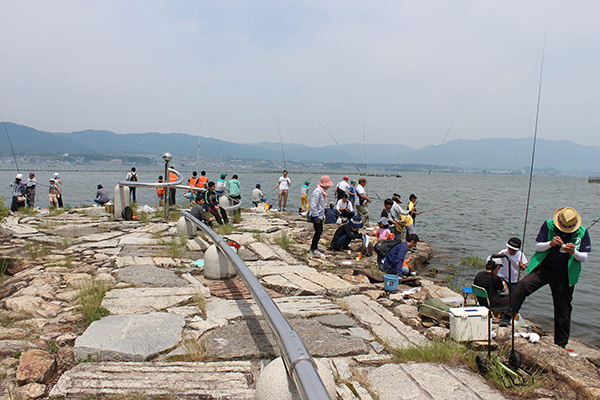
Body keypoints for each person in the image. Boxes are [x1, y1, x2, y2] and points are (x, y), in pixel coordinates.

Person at [499, 207, 592, 348]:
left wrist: (573, 251)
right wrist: (551, 243)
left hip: (565, 274)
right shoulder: (548, 225)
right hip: (545, 268)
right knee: (523, 285)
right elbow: (538, 246)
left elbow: (584, 257)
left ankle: (560, 344)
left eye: (569, 227)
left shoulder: (582, 232)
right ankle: (507, 317)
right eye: (564, 226)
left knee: (563, 309)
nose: (566, 229)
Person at [308, 175, 333, 256]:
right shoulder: (317, 192)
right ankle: (313, 248)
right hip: (316, 216)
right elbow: (313, 205)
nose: (329, 186)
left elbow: (320, 204)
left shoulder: (322, 192)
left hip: (320, 215)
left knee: (319, 231)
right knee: (318, 231)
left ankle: (315, 247)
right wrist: (315, 217)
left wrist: (324, 210)